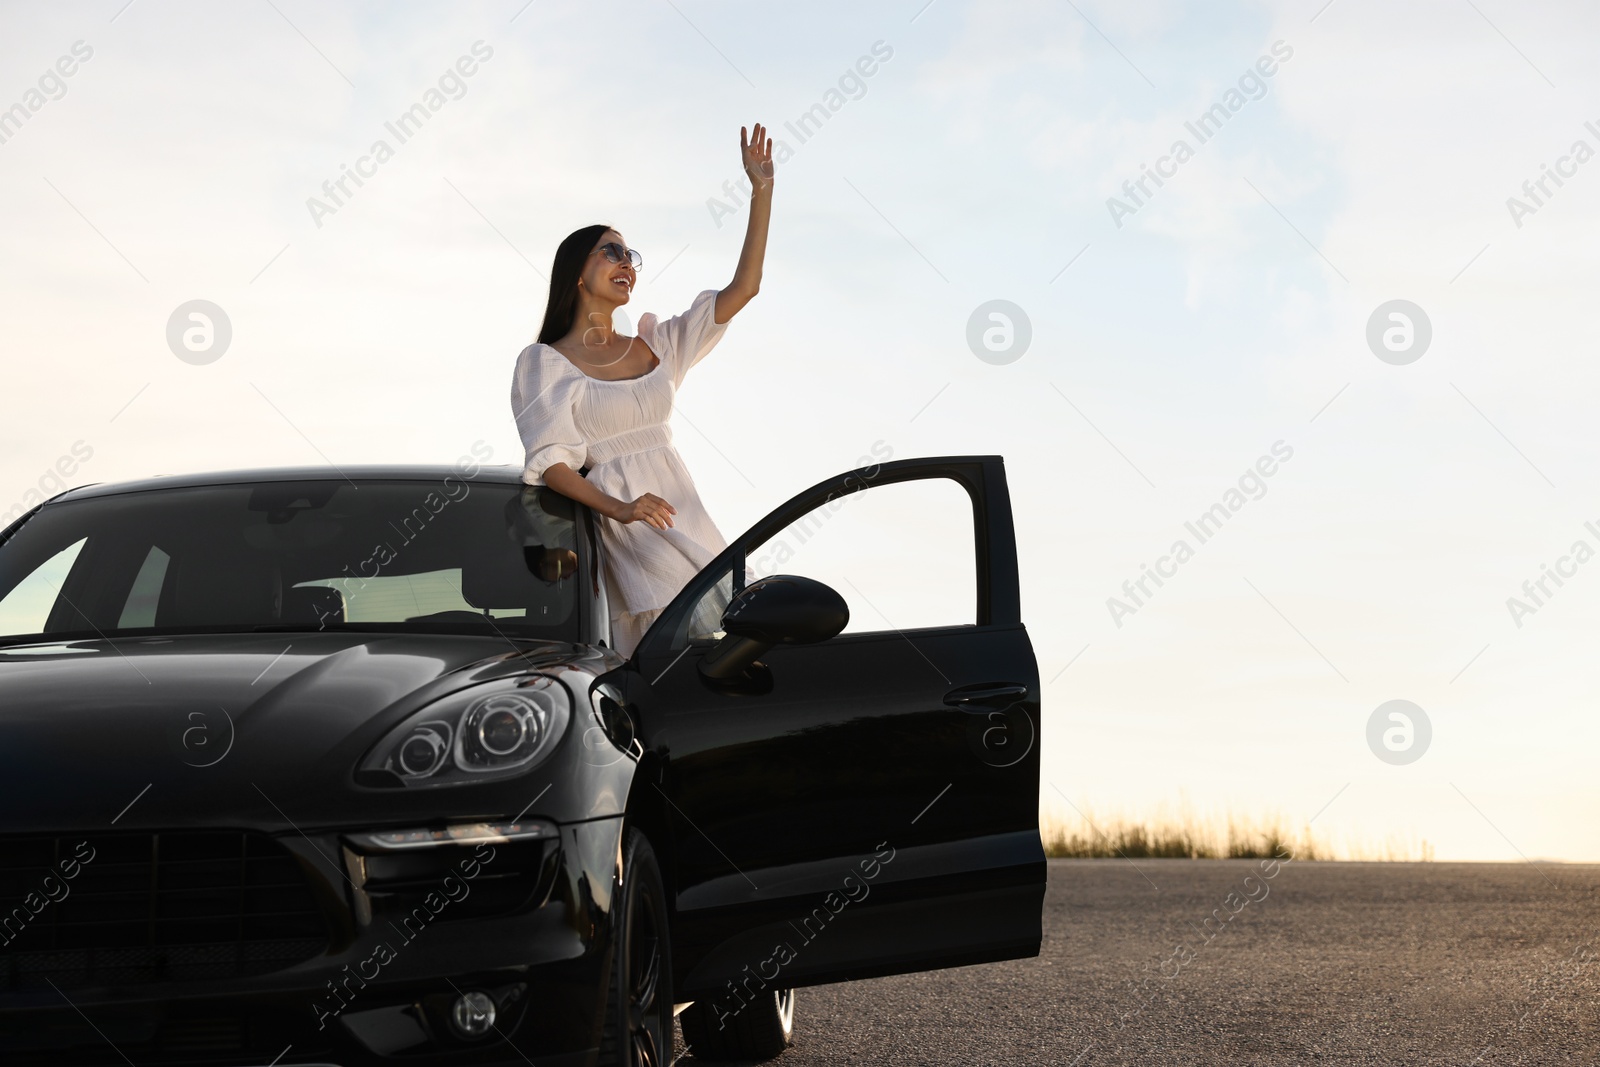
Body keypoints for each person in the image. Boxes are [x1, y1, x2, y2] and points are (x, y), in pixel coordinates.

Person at [511, 123, 774, 657]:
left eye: (631, 255)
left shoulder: (660, 345)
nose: (626, 263)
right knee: (663, 667)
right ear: (577, 273)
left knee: (733, 661)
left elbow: (744, 288)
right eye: (612, 252)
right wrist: (620, 508)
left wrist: (761, 191)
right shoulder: (545, 363)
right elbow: (553, 463)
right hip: (631, 541)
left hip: (689, 529)